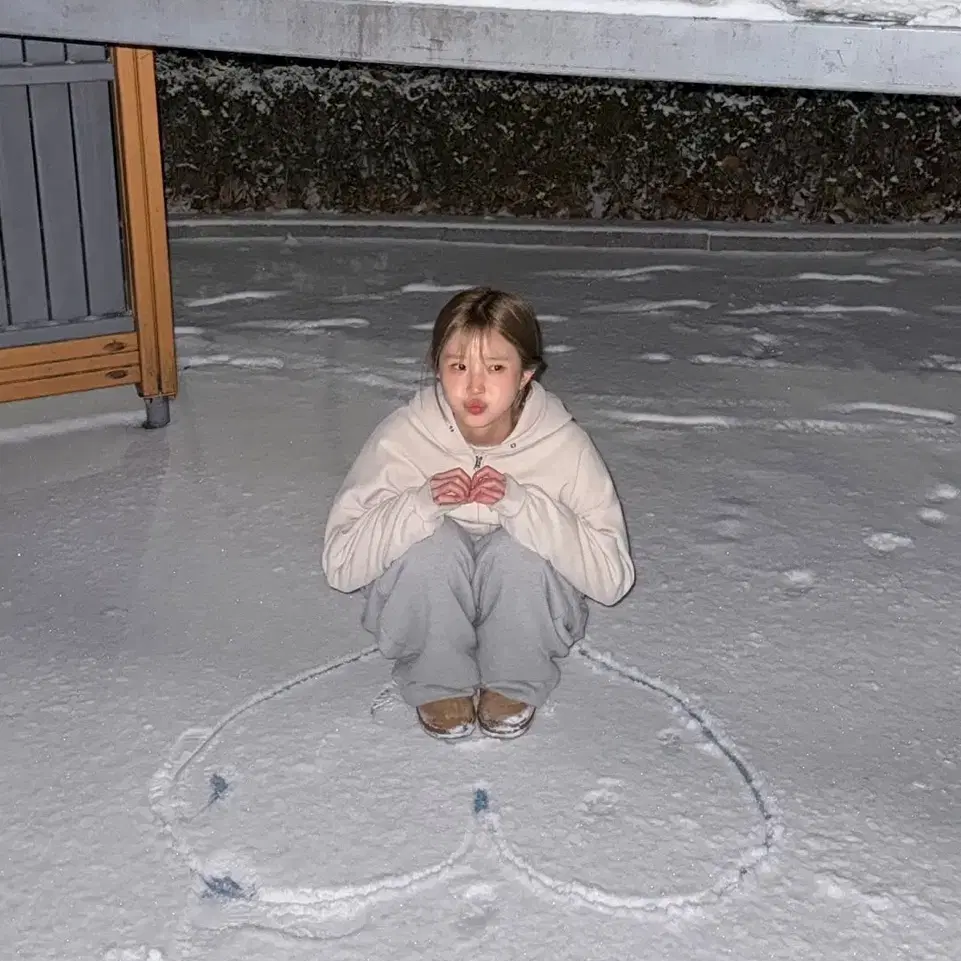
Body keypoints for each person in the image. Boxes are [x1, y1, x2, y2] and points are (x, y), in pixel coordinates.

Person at [322, 287, 634, 741]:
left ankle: (513, 677)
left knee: (518, 554)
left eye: (496, 367)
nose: (474, 387)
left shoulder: (563, 446)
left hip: (528, 612)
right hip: (425, 609)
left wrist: (526, 508)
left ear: (526, 374)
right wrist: (417, 505)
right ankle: (438, 678)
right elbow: (340, 565)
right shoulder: (403, 437)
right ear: (438, 369)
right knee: (432, 548)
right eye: (458, 366)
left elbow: (612, 579)